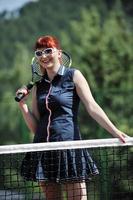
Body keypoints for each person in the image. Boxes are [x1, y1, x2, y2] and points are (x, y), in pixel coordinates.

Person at [16, 35, 129, 200]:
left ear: (59, 53)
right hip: (43, 150)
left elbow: (92, 106)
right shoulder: (38, 86)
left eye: (48, 50)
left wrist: (115, 131)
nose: (44, 56)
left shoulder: (73, 75)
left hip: (69, 148)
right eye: (39, 53)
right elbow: (36, 127)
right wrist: (23, 105)